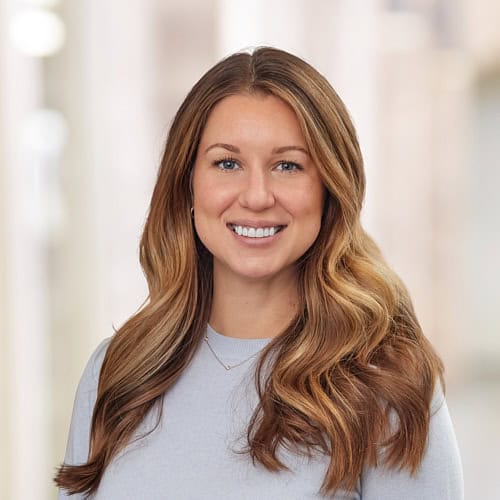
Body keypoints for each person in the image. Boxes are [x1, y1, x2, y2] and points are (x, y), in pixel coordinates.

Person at [54, 46, 463, 499]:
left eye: (287, 165)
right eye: (227, 163)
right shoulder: (117, 372)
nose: (256, 195)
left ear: (329, 187)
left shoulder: (387, 386)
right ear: (187, 182)